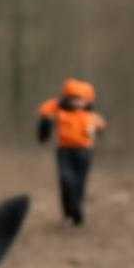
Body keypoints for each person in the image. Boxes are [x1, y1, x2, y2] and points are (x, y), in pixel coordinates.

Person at [36, 77, 107, 226]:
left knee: (79, 184)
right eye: (74, 99)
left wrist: (95, 131)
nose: (77, 102)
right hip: (65, 151)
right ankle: (68, 214)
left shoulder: (91, 116)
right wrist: (45, 127)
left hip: (84, 152)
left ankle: (76, 213)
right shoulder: (61, 112)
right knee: (66, 180)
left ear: (88, 101)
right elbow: (47, 110)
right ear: (67, 98)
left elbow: (101, 126)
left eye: (81, 99)